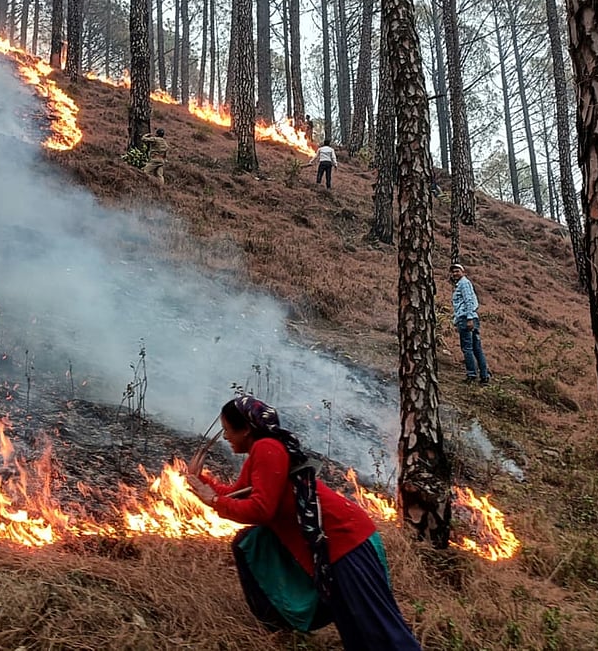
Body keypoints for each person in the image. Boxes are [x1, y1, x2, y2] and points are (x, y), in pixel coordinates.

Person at [185, 396, 421, 650]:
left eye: (228, 430)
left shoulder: (267, 449)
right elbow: (237, 494)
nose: (226, 437)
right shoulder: (260, 452)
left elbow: (261, 510)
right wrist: (202, 483)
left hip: (344, 540)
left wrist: (213, 500)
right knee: (356, 630)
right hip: (334, 546)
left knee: (379, 628)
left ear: (246, 429)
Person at [449, 263, 491, 384]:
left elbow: (469, 301)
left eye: (457, 271)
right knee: (477, 348)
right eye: (453, 272)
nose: (455, 273)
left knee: (467, 348)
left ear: (463, 272)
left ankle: (472, 374)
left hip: (466, 319)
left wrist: (469, 318)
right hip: (469, 318)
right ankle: (484, 376)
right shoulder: (461, 284)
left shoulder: (464, 284)